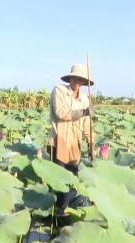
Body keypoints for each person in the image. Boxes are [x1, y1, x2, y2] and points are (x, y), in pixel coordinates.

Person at [47, 64, 94, 217]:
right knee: (58, 180)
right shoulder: (59, 91)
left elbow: (87, 124)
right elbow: (61, 113)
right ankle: (57, 211)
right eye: (75, 78)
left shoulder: (84, 99)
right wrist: (83, 112)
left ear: (83, 82)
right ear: (70, 78)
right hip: (58, 141)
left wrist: (90, 142)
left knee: (73, 181)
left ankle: (61, 209)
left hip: (74, 144)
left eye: (80, 80)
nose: (77, 82)